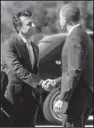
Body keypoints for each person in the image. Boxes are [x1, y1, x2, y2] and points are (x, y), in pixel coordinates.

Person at [1, 9, 57, 127]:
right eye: (29, 24)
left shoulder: (34, 47)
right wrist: (41, 82)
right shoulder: (9, 45)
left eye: (33, 22)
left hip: (31, 101)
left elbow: (34, 71)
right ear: (20, 28)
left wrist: (46, 82)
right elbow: (18, 69)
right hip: (13, 100)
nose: (34, 25)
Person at [44, 3, 93, 127]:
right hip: (84, 96)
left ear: (65, 19)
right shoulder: (83, 35)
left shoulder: (75, 38)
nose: (59, 20)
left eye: (60, 17)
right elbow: (76, 70)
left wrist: (62, 98)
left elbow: (74, 70)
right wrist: (55, 81)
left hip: (76, 98)